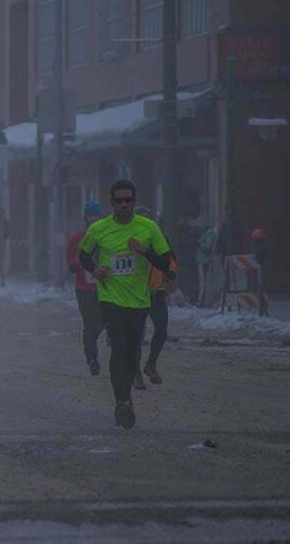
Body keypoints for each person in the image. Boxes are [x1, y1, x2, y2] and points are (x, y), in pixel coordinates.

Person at [79, 180, 174, 429]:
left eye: (128, 200)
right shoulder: (99, 229)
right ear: (112, 203)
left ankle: (126, 396)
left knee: (131, 352)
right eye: (119, 201)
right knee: (119, 348)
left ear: (134, 201)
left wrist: (144, 251)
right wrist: (94, 269)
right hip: (110, 299)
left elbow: (166, 263)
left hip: (139, 301)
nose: (124, 205)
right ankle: (122, 402)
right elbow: (83, 255)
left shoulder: (148, 227)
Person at [132, 206, 179, 389]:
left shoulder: (160, 239)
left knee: (161, 330)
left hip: (157, 292)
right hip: (135, 295)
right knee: (136, 335)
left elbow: (171, 258)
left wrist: (172, 271)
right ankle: (136, 373)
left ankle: (150, 365)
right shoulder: (129, 241)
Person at [67, 200, 104, 376]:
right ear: (85, 217)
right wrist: (76, 265)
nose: (93, 219)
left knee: (103, 320)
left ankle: (94, 345)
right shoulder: (77, 238)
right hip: (84, 288)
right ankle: (92, 359)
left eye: (96, 215)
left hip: (104, 287)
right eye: (90, 215)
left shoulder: (107, 236)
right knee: (89, 322)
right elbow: (70, 261)